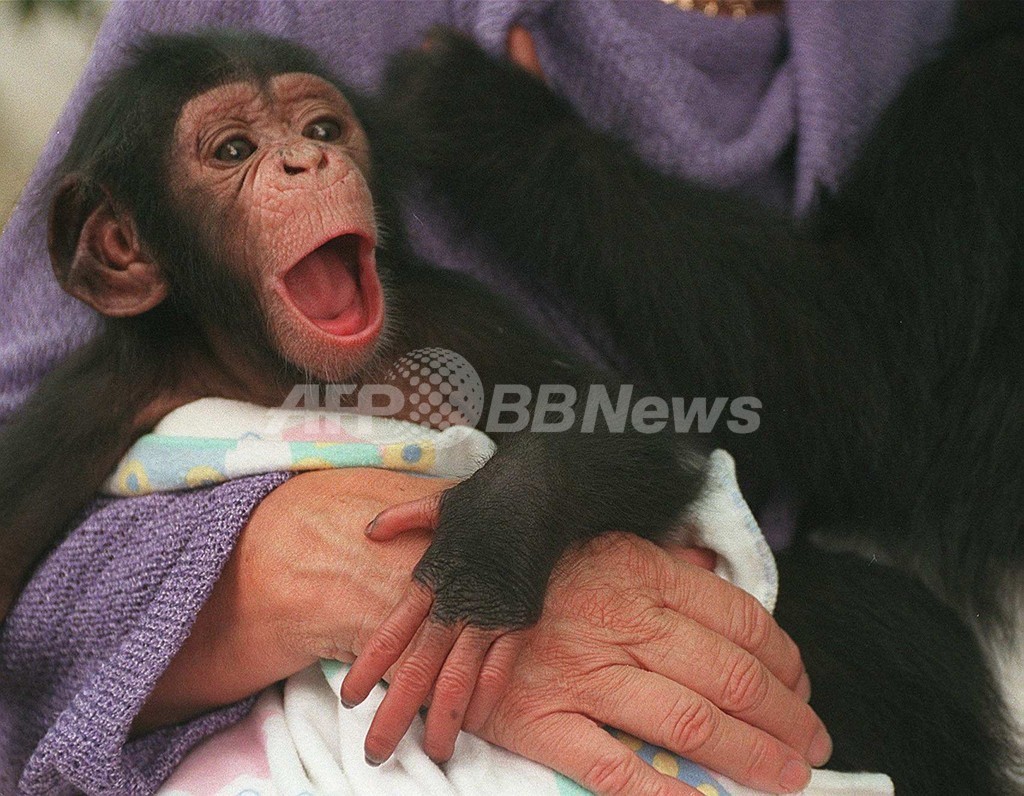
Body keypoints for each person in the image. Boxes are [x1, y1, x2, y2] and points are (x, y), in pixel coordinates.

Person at [0, 1, 958, 794]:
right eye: (236, 149)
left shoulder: (433, 323)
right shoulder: (113, 387)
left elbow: (634, 440)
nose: (308, 162)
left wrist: (520, 497)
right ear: (124, 254)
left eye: (325, 129)